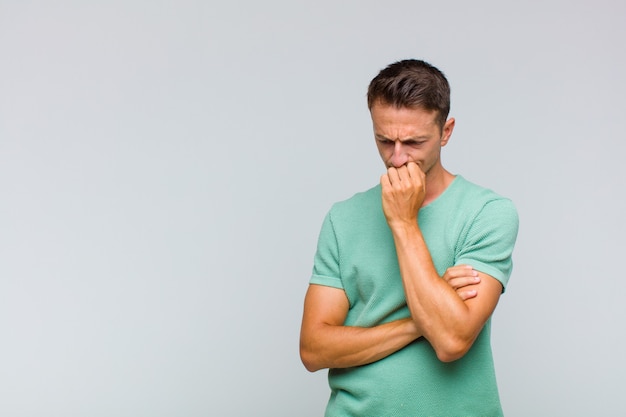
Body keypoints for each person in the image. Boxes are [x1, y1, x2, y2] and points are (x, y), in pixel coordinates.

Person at [299, 59, 519, 416]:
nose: (397, 158)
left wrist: (403, 222)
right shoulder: (342, 218)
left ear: (446, 132)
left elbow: (450, 340)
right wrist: (421, 323)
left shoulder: (488, 213)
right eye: (384, 140)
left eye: (414, 142)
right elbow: (313, 349)